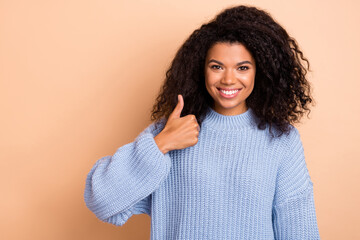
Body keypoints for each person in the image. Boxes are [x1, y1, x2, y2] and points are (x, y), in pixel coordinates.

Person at [84, 5, 320, 240]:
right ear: (201, 70)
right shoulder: (170, 131)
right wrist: (160, 144)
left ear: (261, 72)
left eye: (242, 68)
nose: (228, 79)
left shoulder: (281, 140)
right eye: (216, 67)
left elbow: (300, 231)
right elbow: (101, 200)